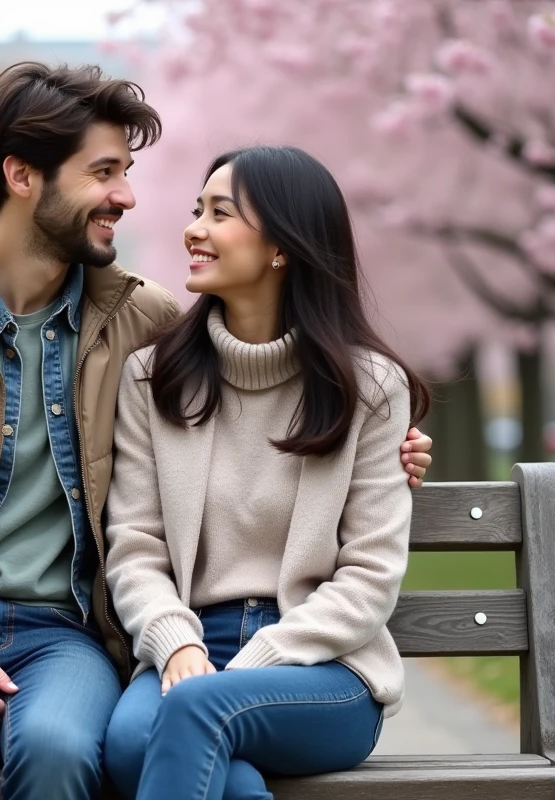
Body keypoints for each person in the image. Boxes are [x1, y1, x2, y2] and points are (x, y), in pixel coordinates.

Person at [0, 63, 433, 800]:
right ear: (23, 176)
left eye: (126, 172)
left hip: (63, 639)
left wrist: (393, 450)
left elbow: (295, 384)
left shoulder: (147, 328)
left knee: (66, 753)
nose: (128, 196)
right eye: (104, 173)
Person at [102, 146, 432, 800]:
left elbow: (370, 575)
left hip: (324, 668)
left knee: (195, 714)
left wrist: (249, 669)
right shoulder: (153, 378)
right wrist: (175, 646)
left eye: (219, 213)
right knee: (133, 742)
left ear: (282, 246)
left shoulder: (370, 389)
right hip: (191, 645)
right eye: (197, 209)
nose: (194, 227)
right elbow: (136, 548)